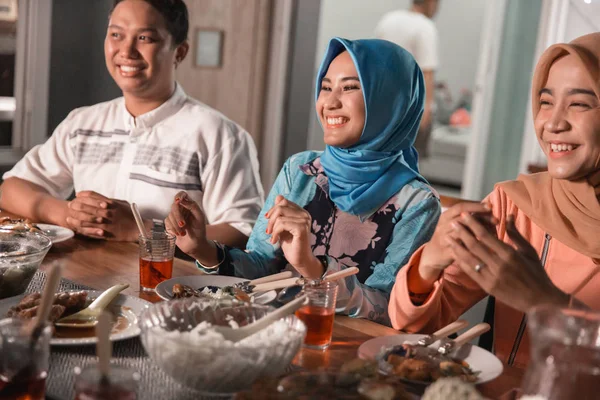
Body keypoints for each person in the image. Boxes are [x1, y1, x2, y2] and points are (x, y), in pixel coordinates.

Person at [165, 38, 441, 325]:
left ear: (390, 100)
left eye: (349, 87)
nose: (330, 103)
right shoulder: (300, 169)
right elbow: (260, 267)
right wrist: (204, 249)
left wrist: (313, 268)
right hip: (269, 333)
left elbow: (389, 309)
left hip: (346, 350)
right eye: (325, 87)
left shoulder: (417, 202)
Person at [388, 33, 600, 367]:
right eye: (545, 102)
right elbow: (415, 327)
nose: (553, 123)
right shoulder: (514, 205)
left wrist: (546, 303)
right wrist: (428, 264)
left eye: (579, 104)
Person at [0, 0, 263, 246]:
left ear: (179, 52)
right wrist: (68, 213)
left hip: (172, 290)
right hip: (86, 280)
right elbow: (11, 189)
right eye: (116, 35)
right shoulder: (83, 124)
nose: (126, 51)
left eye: (145, 38)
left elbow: (243, 232)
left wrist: (141, 229)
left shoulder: (219, 135)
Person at [375, 0, 440, 158]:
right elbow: (427, 72)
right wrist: (426, 110)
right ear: (431, 2)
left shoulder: (388, 19)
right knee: (408, 161)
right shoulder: (425, 27)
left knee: (378, 156)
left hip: (380, 103)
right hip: (409, 107)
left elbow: (373, 59)